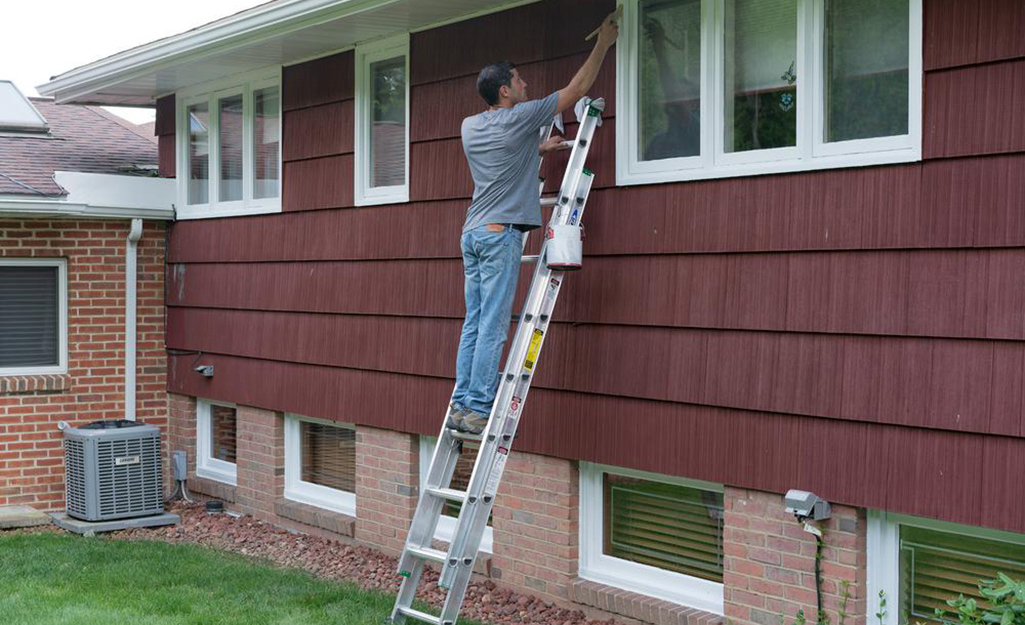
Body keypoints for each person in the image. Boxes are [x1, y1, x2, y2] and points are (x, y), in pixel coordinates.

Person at [448, 11, 620, 435]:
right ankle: (479, 409)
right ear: (505, 91)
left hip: (472, 232)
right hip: (500, 234)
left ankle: (460, 404)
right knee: (492, 324)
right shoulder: (520, 117)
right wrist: (604, 42)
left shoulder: (472, 126)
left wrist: (538, 151)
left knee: (474, 321)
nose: (526, 86)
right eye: (520, 81)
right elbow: (577, 89)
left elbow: (503, 156)